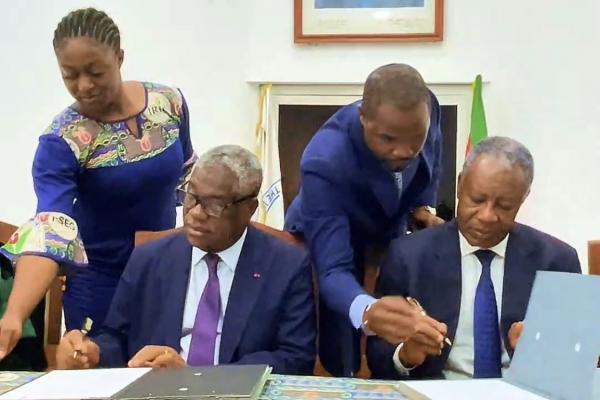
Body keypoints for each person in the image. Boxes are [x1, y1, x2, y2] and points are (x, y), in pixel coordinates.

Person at [0, 8, 195, 359]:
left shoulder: (169, 104)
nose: (83, 86)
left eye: (95, 72)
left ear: (119, 57)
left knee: (164, 370)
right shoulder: (62, 141)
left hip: (165, 276)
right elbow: (51, 230)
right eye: (70, 75)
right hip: (100, 285)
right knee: (101, 374)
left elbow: (186, 177)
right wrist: (15, 314)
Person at [55, 145, 316, 375]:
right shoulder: (149, 258)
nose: (195, 214)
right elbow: (117, 338)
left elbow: (295, 358)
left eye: (214, 205)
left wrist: (197, 378)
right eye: (191, 197)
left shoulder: (287, 265)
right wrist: (93, 352)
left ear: (248, 209)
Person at [367, 137, 582, 380]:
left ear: (523, 198)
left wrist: (542, 352)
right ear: (460, 185)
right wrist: (406, 354)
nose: (487, 216)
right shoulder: (408, 256)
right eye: (477, 200)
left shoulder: (557, 262)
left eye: (504, 206)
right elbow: (377, 356)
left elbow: (575, 363)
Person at [284, 63, 446, 376]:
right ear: (363, 119)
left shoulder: (428, 108)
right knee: (340, 344)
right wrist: (368, 309)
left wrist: (422, 206)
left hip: (389, 224)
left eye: (416, 138)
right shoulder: (324, 161)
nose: (405, 151)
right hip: (332, 228)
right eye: (388, 139)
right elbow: (333, 270)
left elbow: (432, 162)